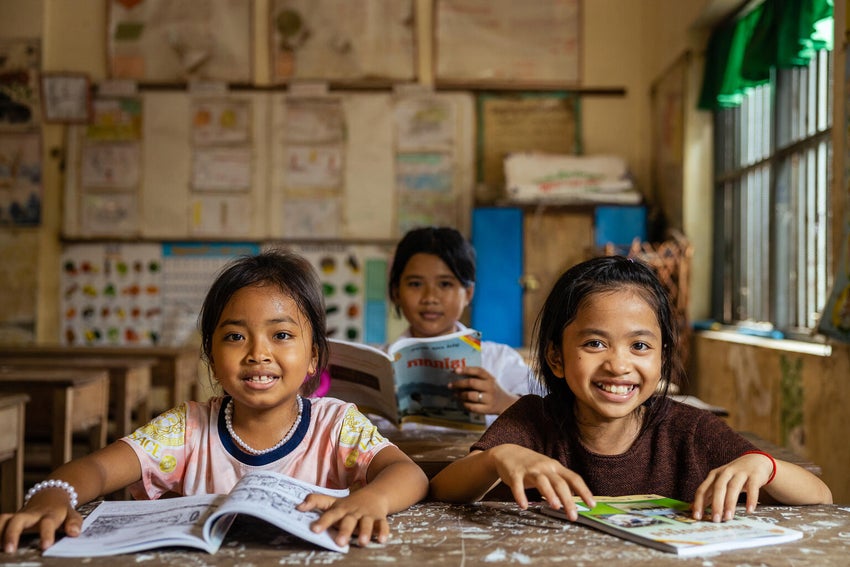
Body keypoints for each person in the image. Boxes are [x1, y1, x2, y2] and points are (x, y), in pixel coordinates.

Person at [1, 250, 428, 554]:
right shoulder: (186, 429)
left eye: (281, 335)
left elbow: (407, 474)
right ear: (210, 355)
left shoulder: (336, 425)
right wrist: (52, 496)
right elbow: (95, 467)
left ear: (314, 355)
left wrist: (372, 500)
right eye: (235, 336)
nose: (257, 353)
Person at [429, 255, 832, 522]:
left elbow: (821, 496)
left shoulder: (688, 430)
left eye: (640, 346)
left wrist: (765, 465)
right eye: (594, 343)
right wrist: (498, 457)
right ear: (556, 357)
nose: (619, 365)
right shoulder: (535, 420)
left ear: (662, 358)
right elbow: (442, 488)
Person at [387, 226, 531, 424]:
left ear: (469, 293)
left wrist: (504, 402)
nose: (430, 298)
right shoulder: (381, 363)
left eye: (445, 284)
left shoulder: (499, 360)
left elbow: (549, 421)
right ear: (396, 292)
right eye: (415, 284)